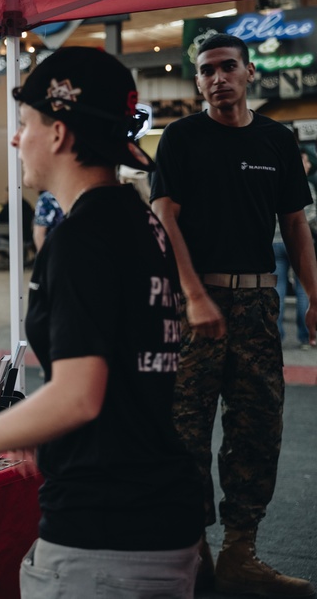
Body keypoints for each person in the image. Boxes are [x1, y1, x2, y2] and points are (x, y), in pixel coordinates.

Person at [0, 47, 203, 598]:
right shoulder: (136, 219)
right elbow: (119, 369)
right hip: (156, 511)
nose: (14, 138)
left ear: (58, 134)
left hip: (105, 530)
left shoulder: (82, 238)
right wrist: (37, 429)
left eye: (23, 123)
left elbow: (79, 395)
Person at [150, 33, 317, 597]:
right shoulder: (180, 138)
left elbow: (295, 226)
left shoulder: (277, 139)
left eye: (228, 67)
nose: (218, 78)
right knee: (185, 428)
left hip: (258, 304)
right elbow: (164, 220)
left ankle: (240, 551)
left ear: (249, 73)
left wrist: (315, 297)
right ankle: (192, 552)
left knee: (257, 425)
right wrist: (193, 294)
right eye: (207, 70)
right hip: (192, 303)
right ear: (197, 81)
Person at [273, 152, 316, 351]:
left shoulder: (272, 181)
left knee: (278, 289)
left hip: (273, 243)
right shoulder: (305, 186)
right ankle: (306, 337)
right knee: (302, 288)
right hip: (296, 243)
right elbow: (309, 219)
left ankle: (276, 335)